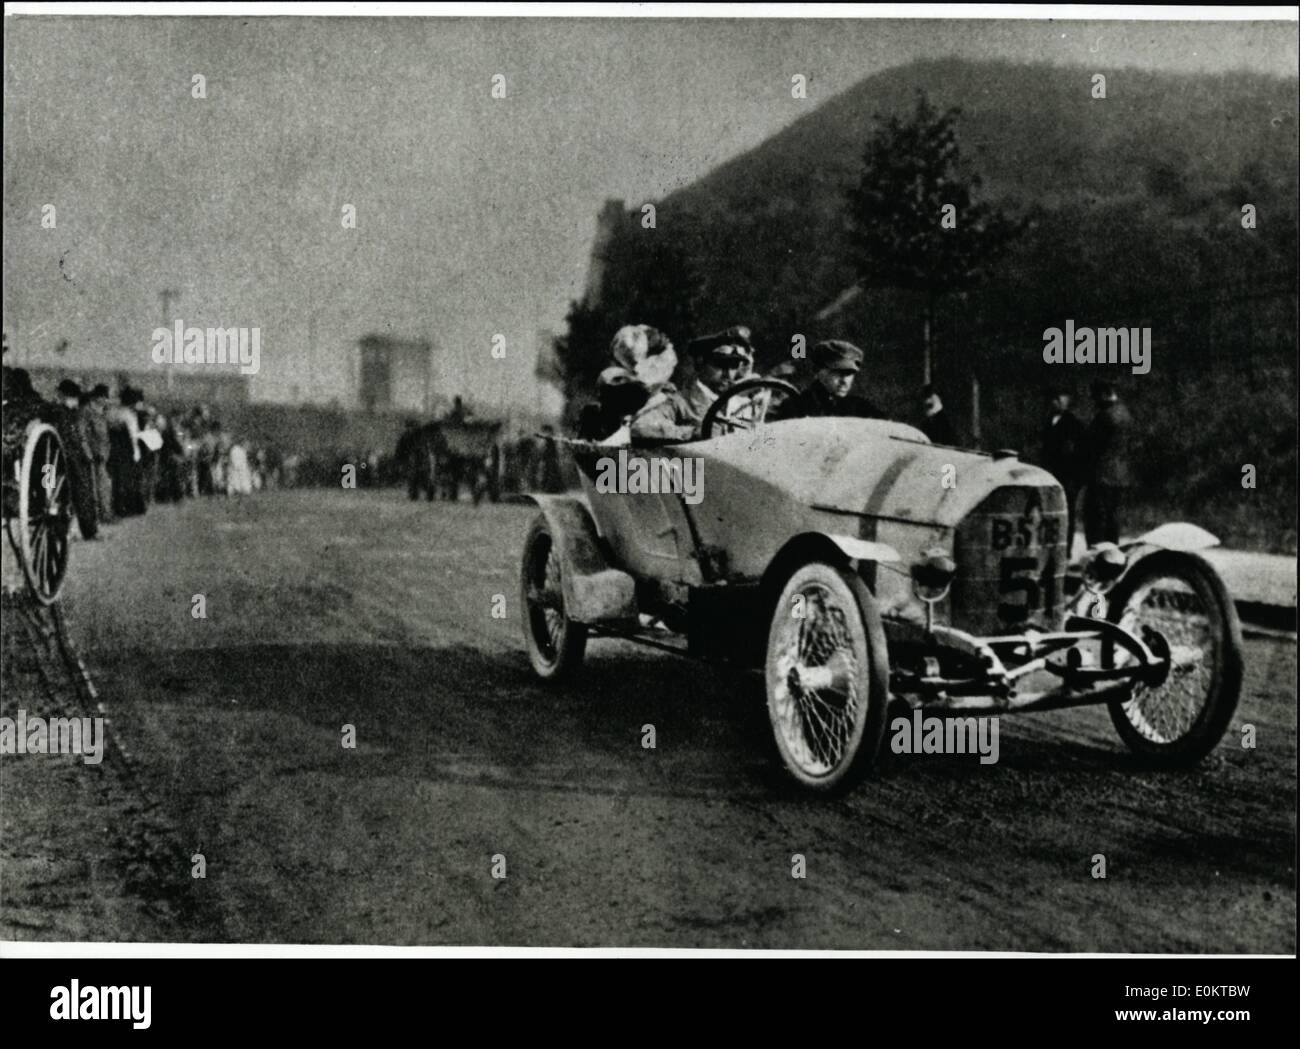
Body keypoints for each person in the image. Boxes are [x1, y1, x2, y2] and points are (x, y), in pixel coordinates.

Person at [629, 325, 754, 441]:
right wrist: (695, 433)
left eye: (733, 365)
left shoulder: (743, 404)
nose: (727, 374)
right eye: (720, 364)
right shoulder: (679, 402)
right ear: (700, 363)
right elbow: (641, 427)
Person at [776, 339, 884, 420]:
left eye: (850, 374)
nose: (845, 381)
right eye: (838, 373)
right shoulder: (795, 406)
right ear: (817, 370)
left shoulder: (861, 409)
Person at [1084, 380, 1132, 546]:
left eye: (1095, 396)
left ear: (1104, 394)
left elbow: (1091, 445)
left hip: (1101, 475)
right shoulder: (1125, 413)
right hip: (1120, 475)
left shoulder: (1104, 416)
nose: (1094, 401)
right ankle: (1112, 555)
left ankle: (1098, 556)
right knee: (1113, 521)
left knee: (1096, 521)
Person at [1041, 386, 1087, 553]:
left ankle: (1065, 549)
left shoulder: (1074, 425)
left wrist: (1077, 480)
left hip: (1068, 477)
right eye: (1054, 399)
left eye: (1060, 399)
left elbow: (1082, 454)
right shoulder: (1048, 422)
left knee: (1067, 513)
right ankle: (1051, 547)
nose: (1056, 402)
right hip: (1050, 474)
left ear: (1068, 402)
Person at [54, 379, 99, 539]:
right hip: (69, 461)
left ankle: (61, 529)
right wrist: (85, 457)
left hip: (51, 463)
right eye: (73, 397)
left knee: (53, 492)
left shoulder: (57, 412)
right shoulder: (66, 415)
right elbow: (72, 440)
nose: (75, 401)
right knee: (83, 493)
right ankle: (88, 530)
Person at [108, 386, 145, 518]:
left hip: (120, 450)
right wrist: (135, 450)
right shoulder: (128, 415)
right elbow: (132, 435)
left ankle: (123, 507)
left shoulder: (117, 413)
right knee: (125, 480)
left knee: (122, 480)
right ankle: (126, 507)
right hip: (127, 450)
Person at [84, 384, 115, 523]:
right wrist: (88, 452)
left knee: (104, 485)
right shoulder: (88, 411)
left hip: (103, 454)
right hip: (93, 454)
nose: (105, 400)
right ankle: (101, 515)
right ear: (97, 397)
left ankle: (104, 514)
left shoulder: (102, 412)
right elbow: (83, 434)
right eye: (103, 397)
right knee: (97, 486)